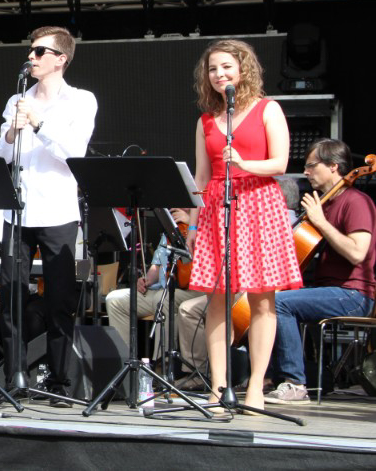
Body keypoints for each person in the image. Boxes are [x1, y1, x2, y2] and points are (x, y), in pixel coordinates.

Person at [184, 38, 302, 410]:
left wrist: (243, 163)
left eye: (226, 67)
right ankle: (219, 387)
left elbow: (280, 163)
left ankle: (254, 387)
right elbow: (202, 178)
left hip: (259, 203)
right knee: (216, 300)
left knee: (262, 300)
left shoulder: (268, 108)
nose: (219, 74)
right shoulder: (206, 121)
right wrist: (192, 226)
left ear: (243, 69)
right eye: (212, 69)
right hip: (218, 208)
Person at [0, 26, 97, 406]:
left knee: (59, 299)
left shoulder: (81, 100)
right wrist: (10, 135)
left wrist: (39, 124)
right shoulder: (17, 99)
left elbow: (74, 153)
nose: (31, 57)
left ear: (60, 59)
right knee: (12, 297)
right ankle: (15, 376)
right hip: (18, 211)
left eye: (39, 51)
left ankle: (60, 381)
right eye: (31, 50)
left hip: (57, 210)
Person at [265, 139, 376, 405]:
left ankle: (295, 383)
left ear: (333, 166)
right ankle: (286, 377)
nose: (306, 172)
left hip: (354, 294)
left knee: (279, 303)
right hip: (328, 289)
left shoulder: (356, 202)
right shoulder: (324, 204)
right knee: (263, 300)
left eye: (312, 165)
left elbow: (357, 253)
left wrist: (321, 222)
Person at [105, 209, 205, 363]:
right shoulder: (171, 230)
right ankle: (124, 364)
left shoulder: (203, 224)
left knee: (162, 298)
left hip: (195, 291)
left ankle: (162, 363)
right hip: (166, 290)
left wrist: (192, 224)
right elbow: (157, 266)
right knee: (115, 300)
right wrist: (146, 279)